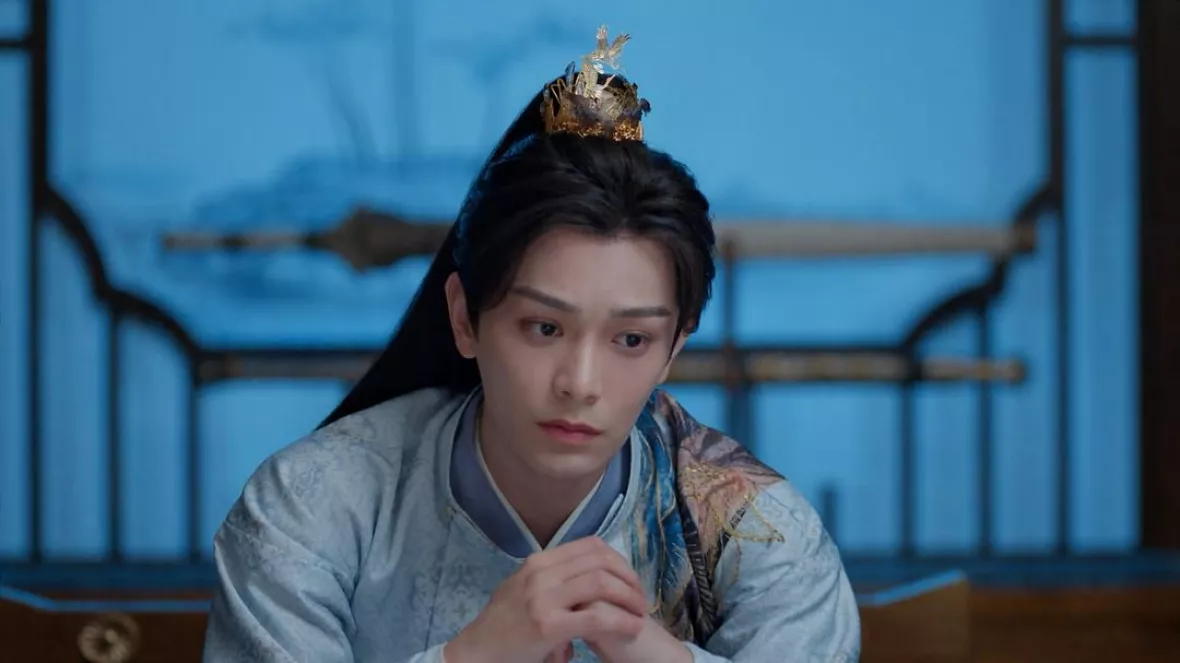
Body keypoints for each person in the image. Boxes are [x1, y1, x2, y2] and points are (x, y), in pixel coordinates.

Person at [202, 25, 861, 663]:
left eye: (631, 338)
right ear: (464, 317)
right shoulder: (314, 503)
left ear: (674, 347)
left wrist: (652, 652)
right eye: (545, 328)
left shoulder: (757, 530)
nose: (580, 382)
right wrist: (471, 656)